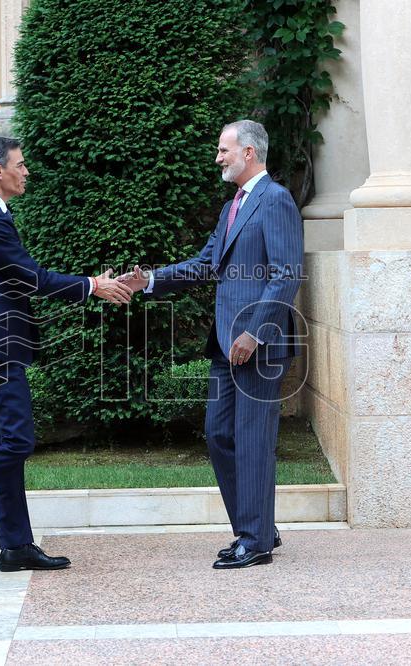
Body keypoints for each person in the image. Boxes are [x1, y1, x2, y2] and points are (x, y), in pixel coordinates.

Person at [0, 137, 132, 573]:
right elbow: (31, 278)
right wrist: (93, 285)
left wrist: (91, 284)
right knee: (17, 442)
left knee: (7, 444)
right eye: (20, 164)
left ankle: (15, 547)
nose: (26, 171)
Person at [120, 120, 303, 569]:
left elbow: (285, 274)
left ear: (249, 153)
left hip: (258, 346)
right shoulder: (231, 207)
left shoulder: (276, 199)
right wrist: (150, 280)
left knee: (253, 441)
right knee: (220, 435)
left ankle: (255, 541)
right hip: (224, 345)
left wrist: (254, 332)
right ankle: (258, 526)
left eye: (224, 150)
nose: (218, 157)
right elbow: (206, 264)